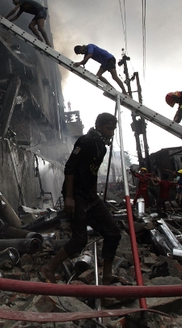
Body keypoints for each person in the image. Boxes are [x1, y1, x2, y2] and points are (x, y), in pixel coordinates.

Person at [40, 113, 122, 285]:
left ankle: (107, 276)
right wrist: (69, 197)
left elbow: (91, 174)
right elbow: (70, 168)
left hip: (90, 197)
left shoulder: (102, 147)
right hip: (76, 195)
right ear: (99, 126)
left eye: (114, 129)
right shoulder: (86, 141)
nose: (112, 133)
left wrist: (97, 198)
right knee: (79, 240)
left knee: (113, 233)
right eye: (109, 128)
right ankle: (49, 268)